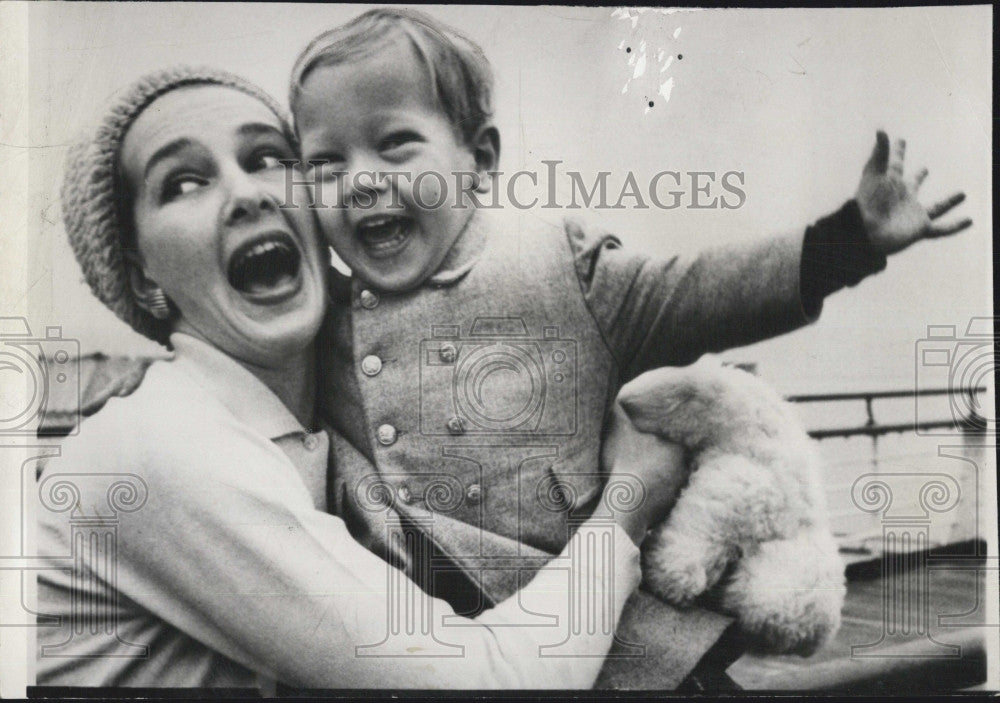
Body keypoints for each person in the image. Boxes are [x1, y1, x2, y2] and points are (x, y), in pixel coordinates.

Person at [287, 7, 973, 688]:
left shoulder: (557, 267)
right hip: (458, 665)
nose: (361, 179)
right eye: (325, 162)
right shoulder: (316, 325)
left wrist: (846, 243)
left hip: (627, 654)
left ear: (479, 159)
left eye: (396, 143)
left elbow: (698, 292)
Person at [36, 66, 690, 691]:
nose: (249, 193)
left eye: (270, 158)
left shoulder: (323, 430)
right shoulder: (160, 445)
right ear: (144, 274)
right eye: (183, 183)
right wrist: (629, 502)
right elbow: (486, 682)